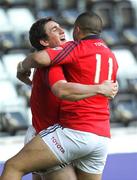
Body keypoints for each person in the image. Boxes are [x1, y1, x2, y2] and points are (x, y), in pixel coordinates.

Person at [0, 12, 118, 180]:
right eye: (55, 29)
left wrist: (22, 67)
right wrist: (22, 66)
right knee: (14, 167)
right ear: (44, 42)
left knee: (13, 167)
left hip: (67, 136)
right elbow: (58, 86)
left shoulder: (71, 54)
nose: (62, 30)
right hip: (52, 134)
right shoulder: (59, 60)